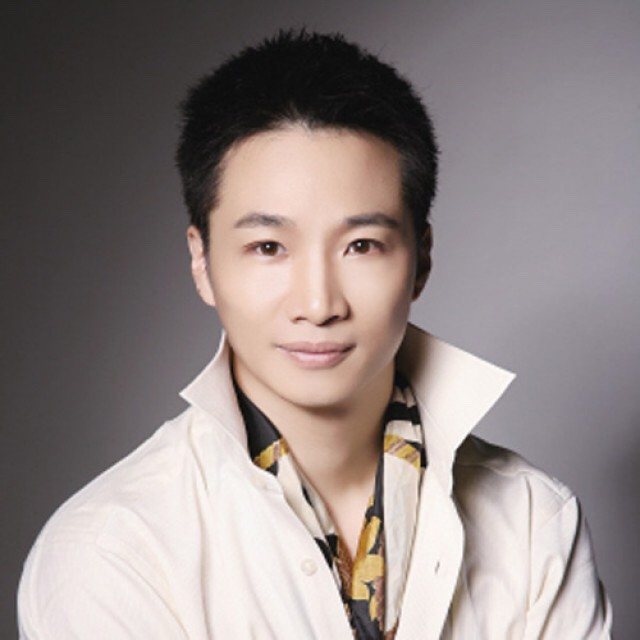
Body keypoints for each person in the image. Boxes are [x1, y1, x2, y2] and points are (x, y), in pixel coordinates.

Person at [18, 30, 611, 639]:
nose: (318, 304)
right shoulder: (112, 553)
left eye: (362, 245)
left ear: (421, 259)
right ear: (202, 262)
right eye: (268, 247)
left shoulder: (531, 521)